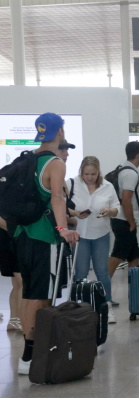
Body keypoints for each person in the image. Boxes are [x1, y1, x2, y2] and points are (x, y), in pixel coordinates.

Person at [15, 113, 79, 375]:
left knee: (29, 294)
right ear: (60, 132)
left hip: (23, 235)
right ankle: (31, 354)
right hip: (44, 237)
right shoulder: (54, 163)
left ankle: (29, 351)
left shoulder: (28, 159)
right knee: (42, 296)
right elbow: (57, 198)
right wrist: (63, 229)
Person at [69, 156, 120, 323]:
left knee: (102, 271)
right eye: (86, 174)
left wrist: (109, 211)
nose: (89, 177)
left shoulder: (107, 186)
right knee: (81, 272)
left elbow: (117, 208)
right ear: (81, 172)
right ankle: (79, 307)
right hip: (80, 234)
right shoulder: (72, 184)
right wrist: (75, 213)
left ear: (98, 172)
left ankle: (107, 306)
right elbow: (62, 205)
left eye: (93, 174)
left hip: (101, 233)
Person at [107, 141, 139, 300]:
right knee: (118, 254)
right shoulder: (130, 174)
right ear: (138, 154)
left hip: (121, 219)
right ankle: (101, 289)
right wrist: (131, 222)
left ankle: (135, 294)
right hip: (124, 220)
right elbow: (126, 200)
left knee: (133, 256)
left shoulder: (122, 169)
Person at [0, 217, 23, 331]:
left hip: (10, 240)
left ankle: (15, 320)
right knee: (23, 283)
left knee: (18, 284)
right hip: (11, 241)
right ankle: (22, 320)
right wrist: (18, 232)